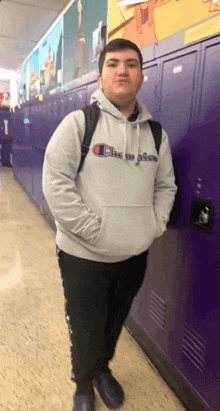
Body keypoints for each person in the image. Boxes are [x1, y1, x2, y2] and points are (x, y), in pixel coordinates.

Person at [42, 38, 177, 411]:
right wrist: (93, 231)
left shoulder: (155, 134)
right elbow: (56, 183)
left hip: (133, 253)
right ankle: (84, 385)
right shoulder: (79, 123)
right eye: (114, 64)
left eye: (131, 64)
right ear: (101, 76)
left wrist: (154, 224)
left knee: (114, 322)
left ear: (141, 76)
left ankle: (101, 369)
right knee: (85, 324)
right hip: (83, 255)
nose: (122, 70)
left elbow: (166, 185)